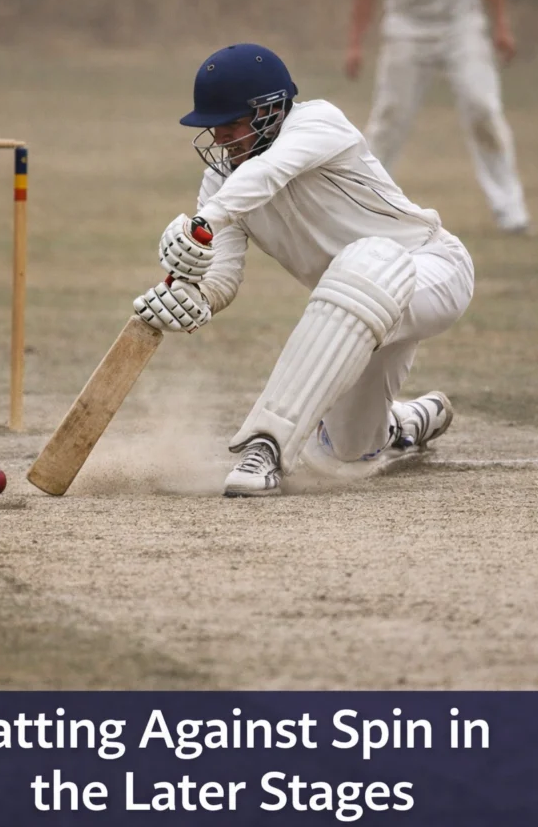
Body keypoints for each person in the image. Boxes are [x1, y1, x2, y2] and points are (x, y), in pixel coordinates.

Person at [134, 43, 474, 497]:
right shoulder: (221, 181)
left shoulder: (318, 123)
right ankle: (404, 424)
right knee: (346, 454)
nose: (220, 139)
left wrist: (203, 223)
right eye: (214, 128)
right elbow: (223, 277)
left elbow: (271, 172)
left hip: (430, 271)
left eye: (231, 124)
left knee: (365, 261)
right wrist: (194, 299)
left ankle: (265, 447)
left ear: (271, 110)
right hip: (353, 312)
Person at [345, 0, 530, 234]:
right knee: (389, 117)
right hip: (406, 30)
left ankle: (510, 211)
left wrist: (502, 27)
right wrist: (355, 44)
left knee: (484, 110)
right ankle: (366, 205)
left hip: (461, 27)